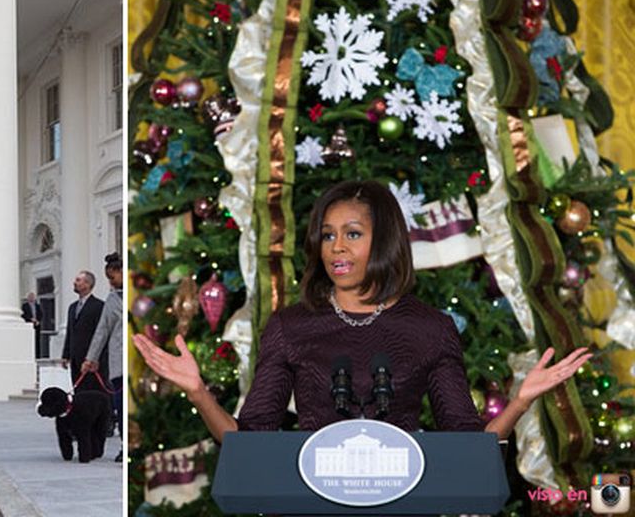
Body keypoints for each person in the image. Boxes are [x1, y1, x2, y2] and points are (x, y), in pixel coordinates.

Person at [133, 180, 591, 443]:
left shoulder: (432, 329)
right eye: (328, 235)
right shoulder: (291, 326)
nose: (336, 247)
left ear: (384, 240)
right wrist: (197, 391)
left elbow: (465, 447)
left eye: (352, 233)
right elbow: (247, 443)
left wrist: (520, 402)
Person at [82, 252, 124, 462]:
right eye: (108, 278)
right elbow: (102, 330)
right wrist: (91, 358)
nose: (111, 282)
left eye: (112, 277)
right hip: (119, 360)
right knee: (121, 404)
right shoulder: (112, 300)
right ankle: (125, 445)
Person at [62, 271, 108, 392]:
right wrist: (66, 355)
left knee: (92, 392)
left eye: (78, 280)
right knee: (78, 391)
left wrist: (95, 358)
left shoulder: (99, 306)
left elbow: (101, 334)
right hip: (75, 359)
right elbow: (70, 332)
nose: (74, 283)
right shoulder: (72, 307)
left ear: (87, 284)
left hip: (91, 360)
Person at [22, 292, 44, 358]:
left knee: (37, 341)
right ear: (28, 298)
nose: (32, 298)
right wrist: (30, 319)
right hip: (28, 325)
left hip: (36, 325)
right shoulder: (24, 306)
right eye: (30, 296)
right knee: (29, 341)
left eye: (33, 296)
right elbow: (23, 315)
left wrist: (38, 321)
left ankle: (37, 355)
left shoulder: (37, 306)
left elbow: (41, 314)